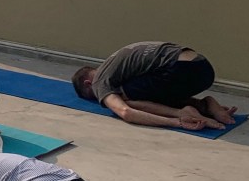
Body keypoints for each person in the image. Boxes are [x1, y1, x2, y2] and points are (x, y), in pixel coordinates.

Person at [71, 42, 237, 130]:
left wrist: (176, 121)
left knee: (124, 99)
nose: (101, 98)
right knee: (143, 91)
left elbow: (126, 112)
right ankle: (204, 105)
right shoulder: (114, 63)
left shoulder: (100, 81)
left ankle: (185, 111)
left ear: (88, 83)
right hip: (203, 68)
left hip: (179, 70)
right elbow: (156, 90)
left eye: (96, 96)